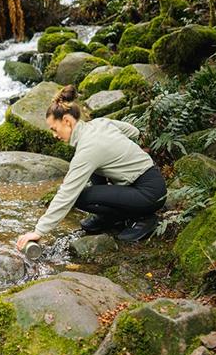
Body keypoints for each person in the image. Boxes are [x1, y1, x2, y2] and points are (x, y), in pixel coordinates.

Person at [16, 85, 167, 250]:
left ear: (67, 121)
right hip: (152, 181)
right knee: (95, 170)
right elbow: (133, 131)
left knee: (79, 196)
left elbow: (67, 193)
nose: (54, 134)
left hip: (149, 195)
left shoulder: (88, 150)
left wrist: (39, 231)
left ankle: (143, 217)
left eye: (54, 128)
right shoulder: (99, 123)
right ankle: (109, 217)